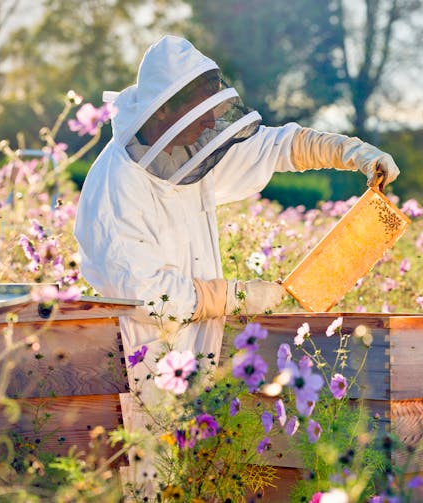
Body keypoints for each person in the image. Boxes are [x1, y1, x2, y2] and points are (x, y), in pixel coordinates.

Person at [73, 35, 400, 487]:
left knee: (190, 477)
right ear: (164, 112)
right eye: (199, 116)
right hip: (139, 358)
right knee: (146, 480)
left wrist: (352, 152)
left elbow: (276, 147)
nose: (209, 127)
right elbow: (146, 294)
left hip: (195, 351)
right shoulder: (116, 189)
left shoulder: (187, 152)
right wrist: (236, 294)